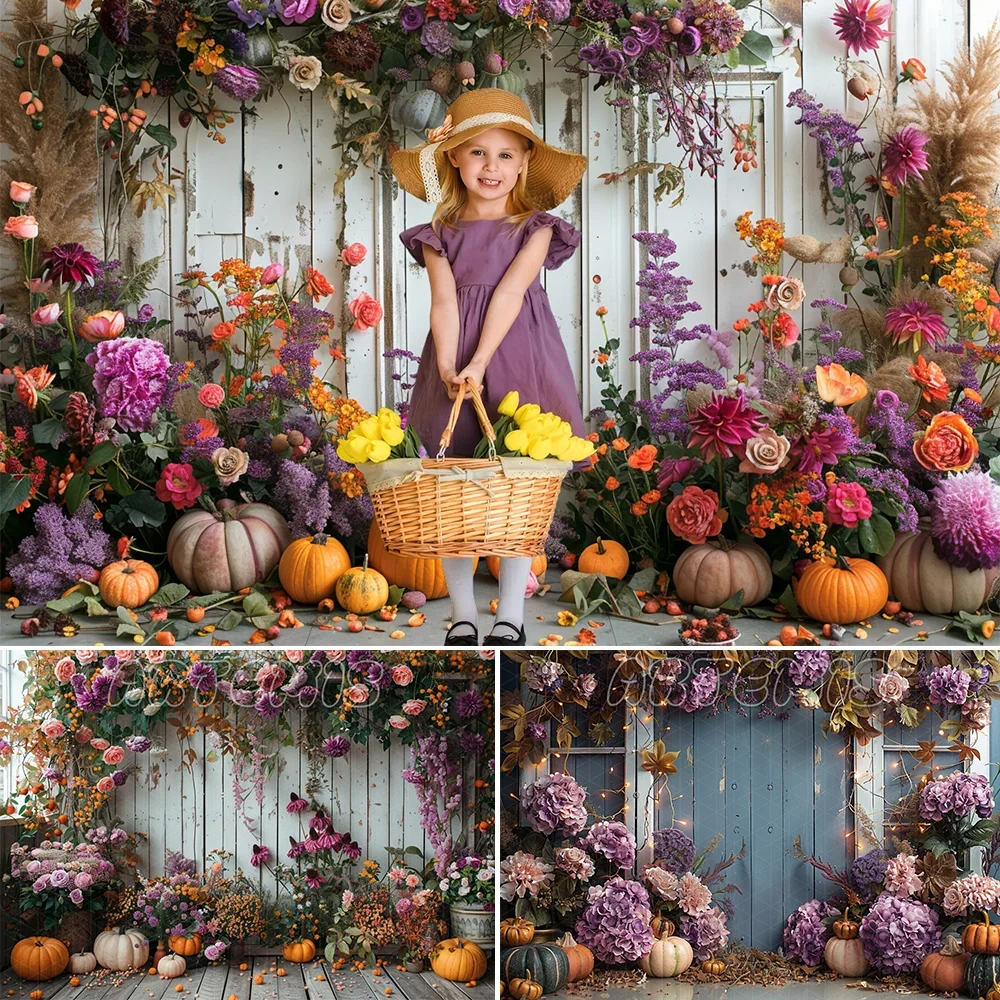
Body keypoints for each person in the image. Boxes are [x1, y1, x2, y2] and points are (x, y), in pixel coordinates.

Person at [391, 89, 588, 647]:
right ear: (453, 157)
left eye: (506, 155)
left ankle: (511, 616)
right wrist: (454, 366)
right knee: (452, 483)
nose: (492, 167)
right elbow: (445, 304)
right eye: (477, 153)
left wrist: (480, 360)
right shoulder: (439, 234)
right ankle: (461, 615)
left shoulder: (536, 227)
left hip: (518, 350)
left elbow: (508, 293)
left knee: (516, 484)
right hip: (453, 356)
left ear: (525, 161)